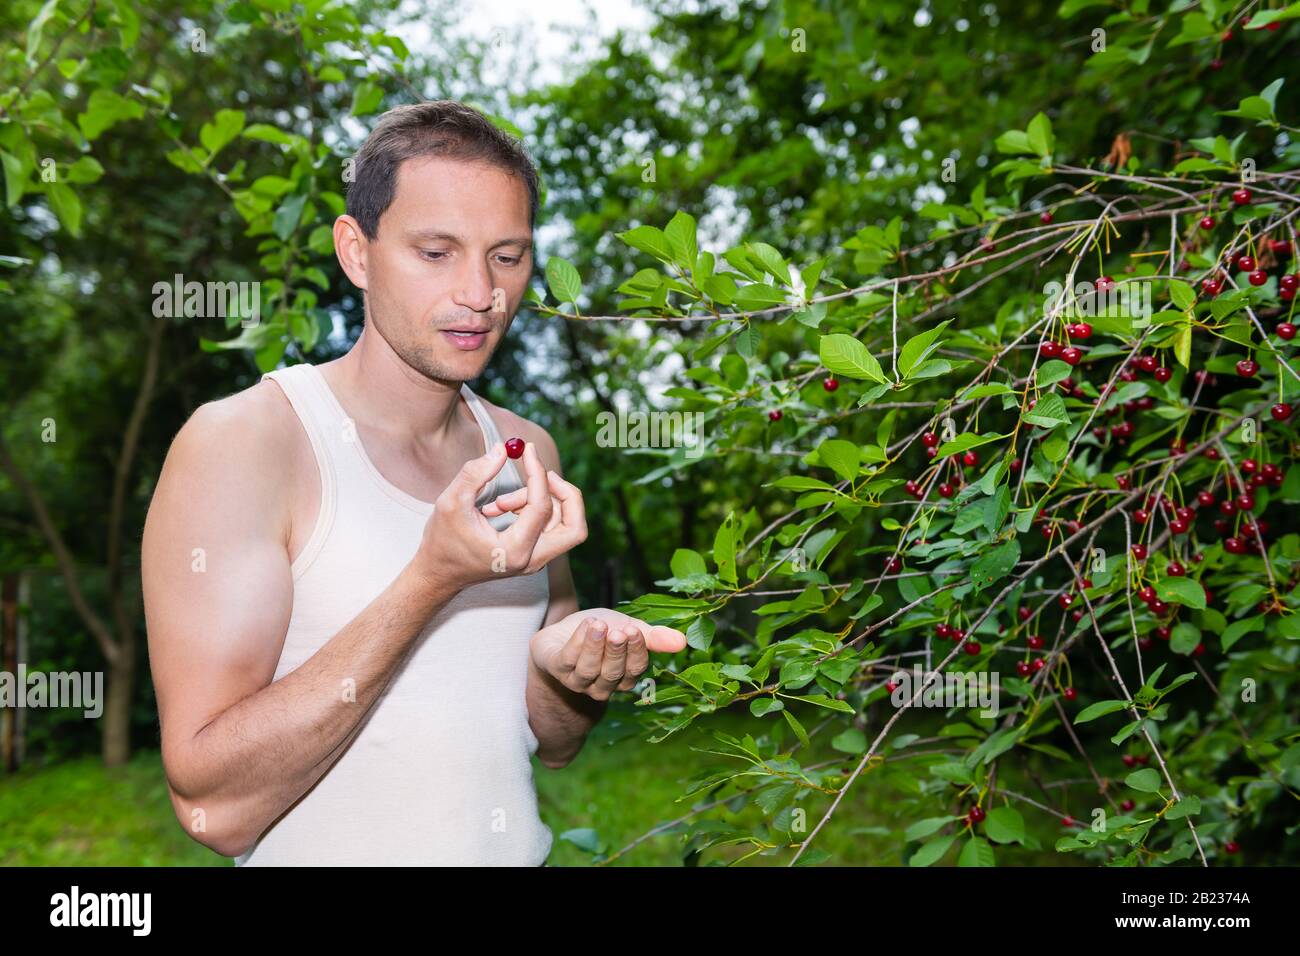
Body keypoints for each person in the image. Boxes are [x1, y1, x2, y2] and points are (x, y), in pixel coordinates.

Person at [141, 100, 686, 866]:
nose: (480, 292)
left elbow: (554, 743)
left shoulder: (525, 452)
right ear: (356, 252)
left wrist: (568, 668)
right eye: (436, 252)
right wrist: (429, 580)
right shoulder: (248, 443)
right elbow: (211, 809)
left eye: (507, 255)